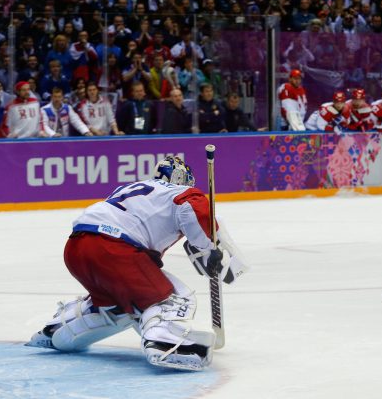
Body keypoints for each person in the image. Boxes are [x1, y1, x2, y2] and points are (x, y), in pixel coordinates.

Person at [26, 156, 247, 371]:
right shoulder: (182, 192)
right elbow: (192, 209)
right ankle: (167, 345)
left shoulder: (133, 189)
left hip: (76, 247)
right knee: (172, 298)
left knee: (117, 306)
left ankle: (58, 332)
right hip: (114, 250)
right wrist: (210, 247)